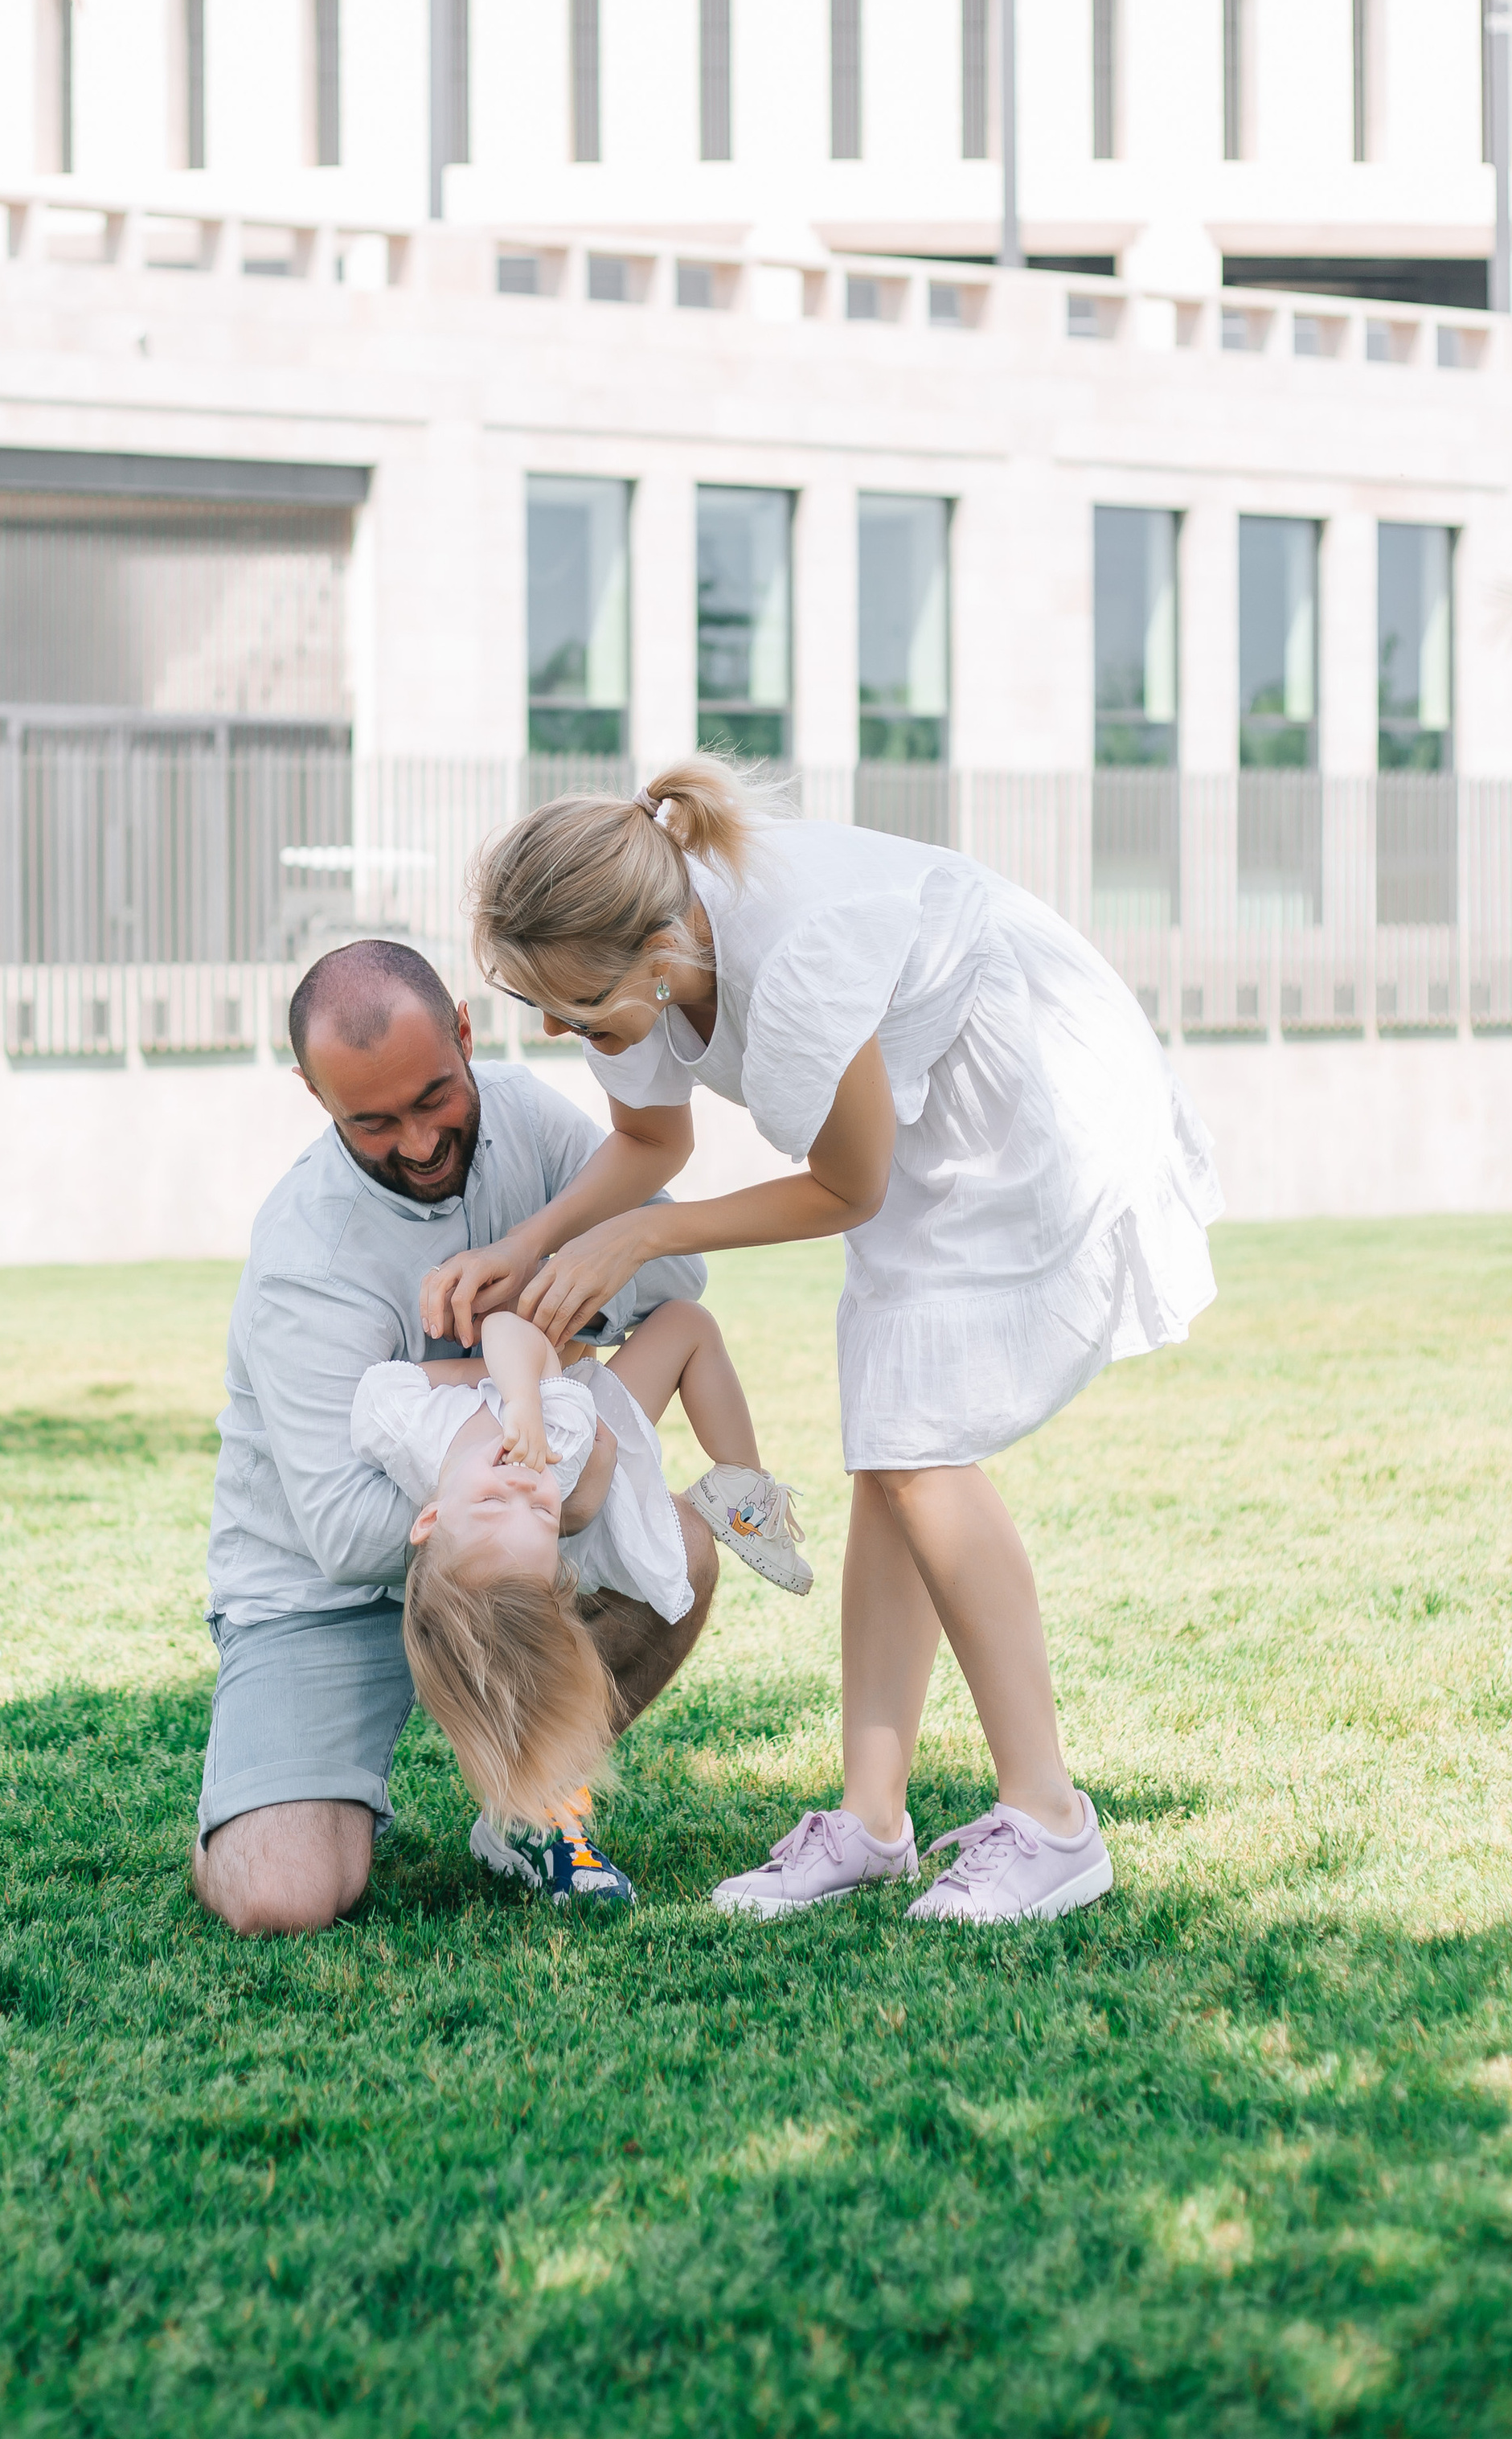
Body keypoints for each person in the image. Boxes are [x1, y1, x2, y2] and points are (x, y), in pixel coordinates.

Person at [423, 757, 1223, 1926]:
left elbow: (847, 1186)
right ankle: (871, 1821)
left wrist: (644, 1243)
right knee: (889, 1455)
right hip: (919, 1115)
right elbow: (651, 1141)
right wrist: (536, 1245)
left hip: (1023, 1086)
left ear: (657, 954)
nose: (553, 1031)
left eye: (575, 1010)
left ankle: (1052, 1821)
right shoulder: (634, 955)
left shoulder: (790, 965)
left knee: (920, 1451)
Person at [191, 937, 717, 1937]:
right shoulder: (307, 1254)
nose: (422, 1141)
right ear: (316, 1097)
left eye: (435, 1096)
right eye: (374, 1122)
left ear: (467, 1035)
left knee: (681, 1550)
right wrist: (548, 1477)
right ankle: (265, 1797)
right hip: (320, 1594)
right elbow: (344, 1531)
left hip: (498, 1553)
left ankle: (525, 1809)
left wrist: (538, 1282)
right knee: (283, 1895)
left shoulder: (525, 1117)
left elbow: (675, 1279)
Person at [357, 1293, 773, 1851]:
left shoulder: (403, 1429)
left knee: (652, 1322)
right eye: (540, 1513)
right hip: (580, 1409)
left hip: (545, 1374)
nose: (522, 1486)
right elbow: (517, 1335)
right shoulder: (561, 1452)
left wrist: (501, 1389)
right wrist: (527, 1395)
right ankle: (744, 1486)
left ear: (430, 1517)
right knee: (688, 1323)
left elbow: (393, 1380)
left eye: (490, 1505)